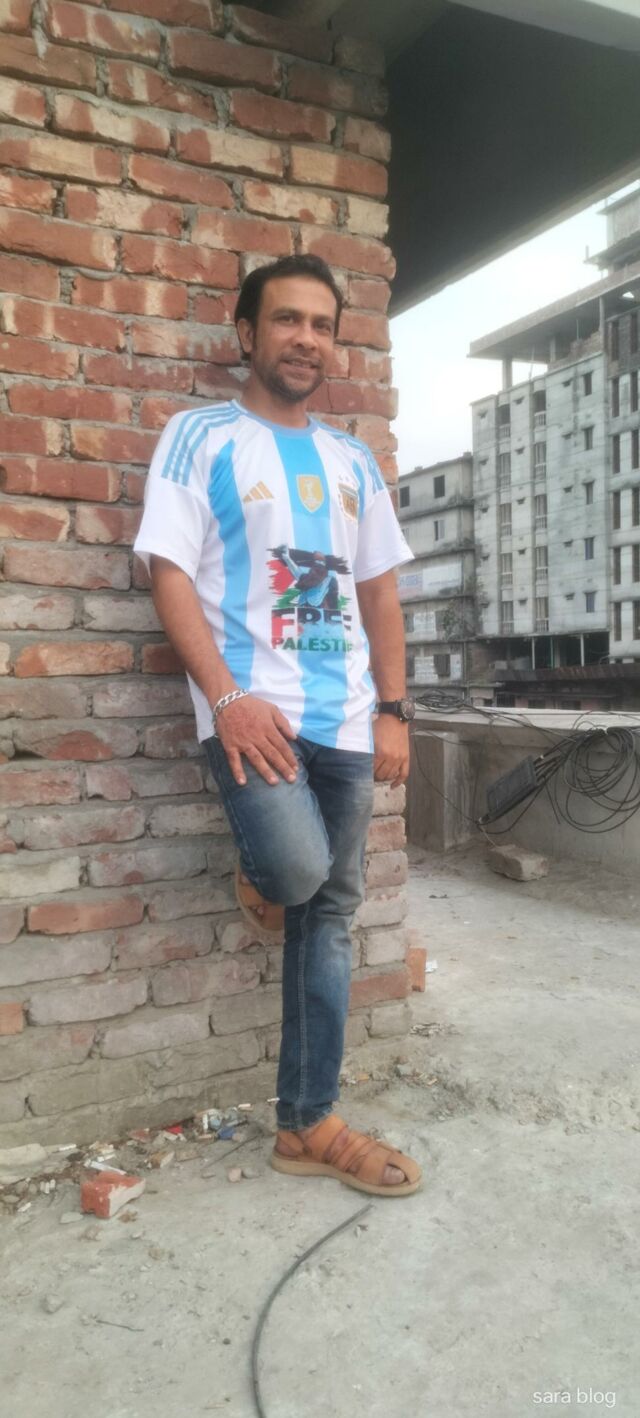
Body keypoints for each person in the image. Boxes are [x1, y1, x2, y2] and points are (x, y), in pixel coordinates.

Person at [134, 254, 422, 1198]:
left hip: (347, 721)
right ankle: (264, 871)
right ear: (247, 333)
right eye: (288, 320)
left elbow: (379, 595)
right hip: (249, 715)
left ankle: (307, 1122)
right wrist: (225, 697)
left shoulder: (353, 462)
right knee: (299, 876)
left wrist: (394, 710)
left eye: (322, 325)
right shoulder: (200, 437)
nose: (306, 339)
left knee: (329, 916)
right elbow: (168, 571)